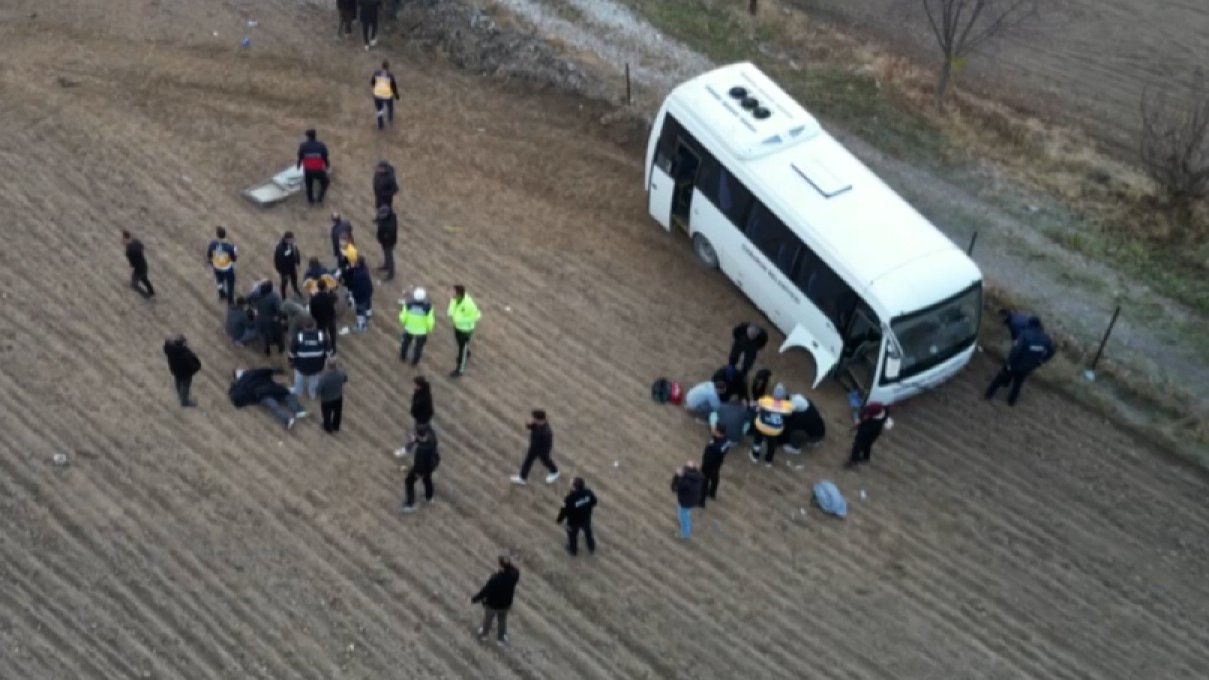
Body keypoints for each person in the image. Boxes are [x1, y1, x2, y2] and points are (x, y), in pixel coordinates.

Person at [985, 317, 1055, 406]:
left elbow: (1016, 350)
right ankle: (1011, 402)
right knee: (1018, 384)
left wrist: (1009, 363)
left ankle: (988, 395)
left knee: (1000, 378)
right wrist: (1041, 361)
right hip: (1028, 367)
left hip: (1016, 364)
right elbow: (1052, 351)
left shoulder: (1025, 335)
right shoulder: (1046, 338)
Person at [228, 367, 308, 430]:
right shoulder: (251, 373)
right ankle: (297, 411)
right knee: (285, 395)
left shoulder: (240, 384)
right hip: (269, 389)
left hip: (262, 395)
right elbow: (265, 371)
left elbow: (235, 394)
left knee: (274, 406)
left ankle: (288, 419)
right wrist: (274, 370)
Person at [471, 556, 520, 645]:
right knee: (502, 621)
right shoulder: (513, 577)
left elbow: (485, 591)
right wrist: (508, 564)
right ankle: (501, 639)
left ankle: (484, 635)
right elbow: (515, 570)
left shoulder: (495, 579)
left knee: (488, 620)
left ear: (501, 566)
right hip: (505, 605)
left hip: (492, 605)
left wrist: (475, 599)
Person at [510, 410, 559, 485]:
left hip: (542, 449)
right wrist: (529, 424)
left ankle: (555, 471)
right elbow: (529, 427)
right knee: (529, 461)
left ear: (537, 419)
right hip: (534, 447)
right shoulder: (538, 424)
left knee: (545, 460)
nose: (531, 419)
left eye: (533, 418)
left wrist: (540, 452)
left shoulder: (546, 432)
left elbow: (546, 444)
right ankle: (522, 478)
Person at [289, 317, 331, 399]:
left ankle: (298, 390)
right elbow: (328, 351)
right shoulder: (321, 335)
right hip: (317, 364)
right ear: (314, 325)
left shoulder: (298, 336)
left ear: (304, 326)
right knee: (314, 378)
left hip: (301, 364)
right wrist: (327, 360)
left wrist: (291, 361)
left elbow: (292, 352)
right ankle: (312, 393)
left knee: (299, 376)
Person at [751, 384, 792, 466]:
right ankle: (768, 461)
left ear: (773, 393)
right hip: (775, 431)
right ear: (783, 396)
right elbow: (789, 414)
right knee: (771, 446)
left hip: (761, 426)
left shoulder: (765, 400)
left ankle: (755, 456)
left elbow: (756, 406)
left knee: (757, 441)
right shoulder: (788, 405)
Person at [401, 423, 440, 512]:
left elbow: (419, 466)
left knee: (409, 481)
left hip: (422, 467)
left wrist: (408, 469)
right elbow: (424, 440)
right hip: (432, 463)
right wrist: (415, 439)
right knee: (427, 478)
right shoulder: (432, 438)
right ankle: (429, 497)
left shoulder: (421, 450)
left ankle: (409, 504)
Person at [394, 375, 434, 458]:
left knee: (416, 435)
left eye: (416, 385)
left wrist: (419, 417)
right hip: (422, 419)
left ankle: (407, 449)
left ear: (419, 385)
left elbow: (425, 409)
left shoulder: (424, 398)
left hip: (421, 420)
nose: (414, 386)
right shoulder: (422, 392)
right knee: (420, 434)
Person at [556, 478, 598, 556]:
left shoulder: (570, 499)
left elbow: (564, 511)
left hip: (573, 522)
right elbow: (594, 501)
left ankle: (573, 550)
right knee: (588, 532)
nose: (570, 484)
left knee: (572, 537)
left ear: (574, 487)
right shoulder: (588, 492)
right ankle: (591, 546)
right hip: (586, 518)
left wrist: (559, 520)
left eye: (571, 483)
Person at [447, 285, 481, 378]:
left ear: (459, 294)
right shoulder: (454, 299)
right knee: (460, 343)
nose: (451, 293)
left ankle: (459, 370)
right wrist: (452, 314)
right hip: (457, 327)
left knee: (462, 349)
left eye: (453, 291)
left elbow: (477, 316)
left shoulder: (469, 304)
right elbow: (451, 308)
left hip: (466, 330)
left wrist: (459, 319)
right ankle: (466, 352)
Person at [846, 402, 892, 468]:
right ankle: (865, 457)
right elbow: (863, 415)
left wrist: (861, 425)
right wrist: (859, 420)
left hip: (870, 431)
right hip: (872, 430)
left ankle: (853, 460)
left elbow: (865, 426)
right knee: (867, 444)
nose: (866, 416)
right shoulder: (873, 409)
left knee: (858, 445)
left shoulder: (877, 421)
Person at [398, 287, 434, 365]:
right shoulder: (428, 308)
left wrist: (404, 323)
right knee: (418, 348)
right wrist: (429, 328)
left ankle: (402, 357)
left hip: (409, 328)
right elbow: (430, 321)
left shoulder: (408, 305)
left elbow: (402, 318)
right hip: (421, 331)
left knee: (405, 344)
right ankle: (415, 362)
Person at [163, 335, 200, 407]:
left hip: (175, 370)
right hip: (185, 374)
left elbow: (167, 344)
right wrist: (192, 370)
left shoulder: (170, 349)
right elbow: (195, 365)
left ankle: (180, 396)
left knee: (178, 383)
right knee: (185, 386)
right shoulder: (186, 353)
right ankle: (184, 401)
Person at [670, 462, 704, 539]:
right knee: (685, 512)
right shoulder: (698, 476)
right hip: (693, 500)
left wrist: (676, 476)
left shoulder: (686, 482)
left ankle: (684, 533)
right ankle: (685, 523)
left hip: (686, 502)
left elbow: (674, 488)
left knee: (683, 517)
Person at [251, 280, 284, 357]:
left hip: (259, 318)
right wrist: (279, 317)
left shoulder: (256, 294)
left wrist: (254, 307)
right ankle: (280, 348)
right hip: (271, 319)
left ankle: (267, 350)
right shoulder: (274, 297)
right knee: (278, 334)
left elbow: (248, 298)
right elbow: (280, 309)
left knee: (263, 335)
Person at [297, 129, 330, 205]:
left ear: (307, 137)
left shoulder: (303, 146)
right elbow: (325, 157)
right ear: (315, 136)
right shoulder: (321, 145)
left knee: (309, 185)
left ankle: (310, 201)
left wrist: (298, 166)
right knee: (325, 182)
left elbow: (300, 157)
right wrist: (327, 165)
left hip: (308, 170)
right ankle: (319, 198)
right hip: (318, 169)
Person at [206, 226, 238, 305]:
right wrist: (235, 251)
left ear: (217, 235)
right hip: (227, 269)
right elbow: (234, 259)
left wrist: (211, 262)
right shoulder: (230, 247)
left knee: (219, 281)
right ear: (225, 235)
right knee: (230, 284)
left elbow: (209, 255)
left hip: (216, 267)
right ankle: (230, 301)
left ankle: (221, 293)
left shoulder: (212, 244)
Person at [699, 425, 729, 507]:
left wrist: (705, 461)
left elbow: (713, 452)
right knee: (715, 478)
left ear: (719, 433)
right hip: (717, 464)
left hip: (709, 464)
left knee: (704, 481)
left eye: (715, 430)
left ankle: (701, 501)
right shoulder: (725, 441)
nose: (713, 431)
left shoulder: (717, 445)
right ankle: (712, 493)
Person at [317, 358, 348, 434]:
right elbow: (345, 379)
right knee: (337, 413)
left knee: (326, 414)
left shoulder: (323, 378)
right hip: (338, 397)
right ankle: (336, 426)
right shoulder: (341, 373)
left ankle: (327, 428)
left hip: (327, 399)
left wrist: (318, 394)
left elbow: (319, 389)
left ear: (327, 365)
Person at [308, 280, 339, 354]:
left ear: (318, 288)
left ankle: (324, 348)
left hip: (320, 320)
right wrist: (331, 291)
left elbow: (312, 311)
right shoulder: (329, 297)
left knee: (322, 334)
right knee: (332, 334)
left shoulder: (314, 299)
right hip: (330, 318)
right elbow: (336, 298)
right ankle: (333, 348)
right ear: (325, 287)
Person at [122, 231, 155, 299]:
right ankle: (151, 292)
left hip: (139, 269)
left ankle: (146, 295)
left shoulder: (129, 251)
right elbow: (142, 246)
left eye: (123, 239)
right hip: (144, 265)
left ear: (126, 239)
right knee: (144, 278)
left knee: (134, 284)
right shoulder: (136, 242)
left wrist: (132, 264)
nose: (122, 241)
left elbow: (132, 263)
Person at [346, 255, 374, 333]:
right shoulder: (364, 269)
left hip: (361, 295)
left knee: (360, 310)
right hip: (368, 291)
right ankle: (368, 315)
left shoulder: (358, 275)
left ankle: (361, 325)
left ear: (358, 264)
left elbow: (356, 286)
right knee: (368, 305)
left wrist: (353, 296)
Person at [370, 63, 400, 130]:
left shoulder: (376, 73)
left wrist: (376, 88)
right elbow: (393, 86)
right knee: (390, 107)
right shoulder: (390, 75)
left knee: (379, 110)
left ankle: (380, 126)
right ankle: (390, 118)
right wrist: (396, 95)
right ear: (388, 67)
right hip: (387, 95)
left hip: (377, 95)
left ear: (382, 66)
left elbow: (372, 82)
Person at [274, 231, 303, 298]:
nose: (293, 241)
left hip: (291, 267)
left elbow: (296, 253)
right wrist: (284, 272)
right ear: (287, 239)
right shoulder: (280, 248)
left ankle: (296, 290)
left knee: (294, 280)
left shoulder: (291, 245)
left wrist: (297, 262)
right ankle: (283, 296)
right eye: (291, 239)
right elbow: (280, 261)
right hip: (284, 270)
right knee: (284, 283)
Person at [374, 204, 398, 281]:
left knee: (389, 256)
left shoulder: (389, 225)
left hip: (388, 242)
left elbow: (388, 234)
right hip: (385, 241)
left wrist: (383, 238)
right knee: (386, 254)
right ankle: (386, 265)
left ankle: (391, 273)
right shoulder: (391, 217)